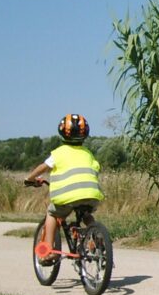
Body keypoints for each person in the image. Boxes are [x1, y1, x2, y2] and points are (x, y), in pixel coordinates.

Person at [25, 113, 105, 264]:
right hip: (91, 194)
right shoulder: (88, 153)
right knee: (86, 215)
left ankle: (48, 250)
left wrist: (29, 179)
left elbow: (43, 167)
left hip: (67, 196)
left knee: (52, 213)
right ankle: (97, 236)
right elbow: (96, 168)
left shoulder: (59, 153)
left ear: (62, 133)